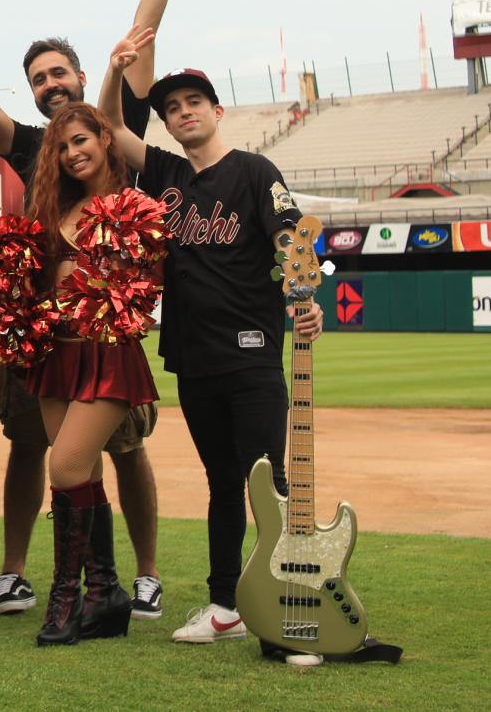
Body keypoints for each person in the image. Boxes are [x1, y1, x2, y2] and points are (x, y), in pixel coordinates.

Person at [0, 0, 188, 621]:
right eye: (39, 77)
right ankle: (42, 579)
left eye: (59, 72)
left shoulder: (115, 131)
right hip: (47, 339)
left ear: (78, 76)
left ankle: (140, 576)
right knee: (39, 451)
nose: (51, 84)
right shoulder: (37, 152)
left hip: (108, 339)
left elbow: (142, 32)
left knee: (123, 451)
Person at [96, 35, 324, 646]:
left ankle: (291, 600)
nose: (184, 112)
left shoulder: (254, 171)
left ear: (217, 110)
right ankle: (226, 606)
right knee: (221, 484)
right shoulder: (165, 172)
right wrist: (114, 71)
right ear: (168, 124)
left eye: (194, 101)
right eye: (173, 107)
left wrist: (304, 300)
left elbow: (288, 241)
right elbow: (110, 127)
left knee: (267, 483)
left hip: (251, 354)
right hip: (192, 357)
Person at [20, 101, 159, 647]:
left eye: (80, 140)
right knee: (83, 476)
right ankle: (104, 593)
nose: (72, 153)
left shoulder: (137, 204)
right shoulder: (57, 207)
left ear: (104, 139)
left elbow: (152, 283)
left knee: (66, 465)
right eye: (61, 147)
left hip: (107, 353)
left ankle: (65, 597)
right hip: (56, 355)